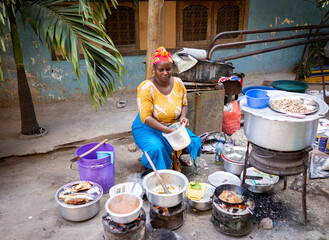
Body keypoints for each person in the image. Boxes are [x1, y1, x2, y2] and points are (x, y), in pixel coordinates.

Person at [132, 46, 202, 171]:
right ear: (154, 69)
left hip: (172, 125)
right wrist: (168, 131)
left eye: (168, 69)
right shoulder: (146, 88)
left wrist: (183, 117)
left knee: (193, 142)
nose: (165, 73)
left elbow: (184, 104)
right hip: (147, 128)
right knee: (156, 148)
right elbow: (146, 118)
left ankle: (174, 157)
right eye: (161, 70)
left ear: (172, 68)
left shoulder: (178, 83)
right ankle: (147, 163)